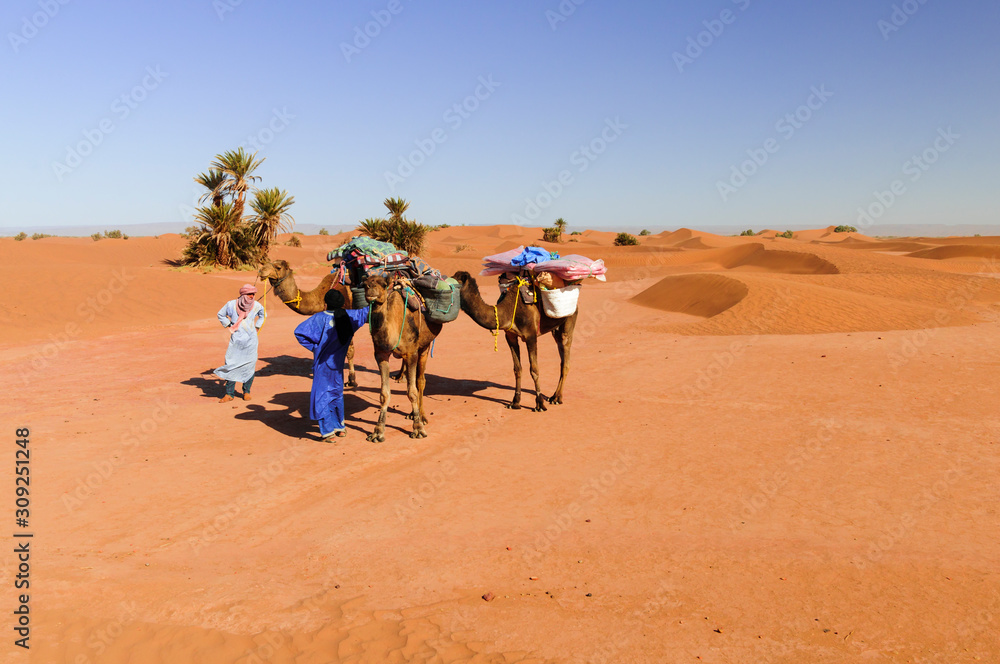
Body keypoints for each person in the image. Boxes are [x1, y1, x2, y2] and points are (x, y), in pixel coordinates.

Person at [294, 289, 368, 440]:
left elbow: (299, 332)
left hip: (322, 364)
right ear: (342, 304)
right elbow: (366, 312)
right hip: (338, 364)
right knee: (336, 394)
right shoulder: (350, 316)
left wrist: (315, 348)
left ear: (325, 303)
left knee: (322, 396)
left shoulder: (319, 318)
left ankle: (327, 431)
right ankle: (339, 427)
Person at [215, 284, 266, 403]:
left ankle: (246, 391)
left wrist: (257, 327)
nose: (252, 296)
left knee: (249, 365)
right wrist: (228, 325)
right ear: (243, 294)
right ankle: (229, 394)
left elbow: (263, 316)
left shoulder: (257, 305)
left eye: (253, 294)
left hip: (251, 340)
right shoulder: (231, 304)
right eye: (249, 294)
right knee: (231, 364)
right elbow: (220, 314)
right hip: (236, 339)